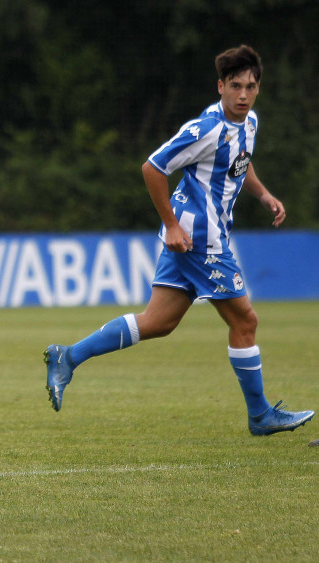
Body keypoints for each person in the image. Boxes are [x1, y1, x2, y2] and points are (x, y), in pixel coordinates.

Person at [44, 45, 314, 436]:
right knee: (245, 319)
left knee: (158, 322)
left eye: (250, 86)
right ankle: (260, 416)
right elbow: (153, 167)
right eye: (235, 86)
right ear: (219, 86)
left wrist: (263, 194)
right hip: (200, 241)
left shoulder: (248, 122)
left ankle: (68, 356)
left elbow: (240, 162)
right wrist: (170, 224)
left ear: (258, 88)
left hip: (192, 239)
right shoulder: (206, 130)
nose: (243, 94)